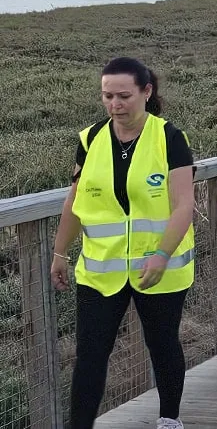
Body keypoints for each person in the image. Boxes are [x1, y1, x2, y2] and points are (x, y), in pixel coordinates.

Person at [50, 57, 195, 429]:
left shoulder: (170, 138)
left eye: (124, 95)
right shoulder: (90, 139)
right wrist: (59, 252)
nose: (116, 104)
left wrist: (162, 254)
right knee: (90, 357)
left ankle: (169, 419)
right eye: (108, 96)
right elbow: (76, 202)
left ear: (146, 92)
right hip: (102, 270)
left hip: (159, 269)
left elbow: (183, 206)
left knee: (162, 346)